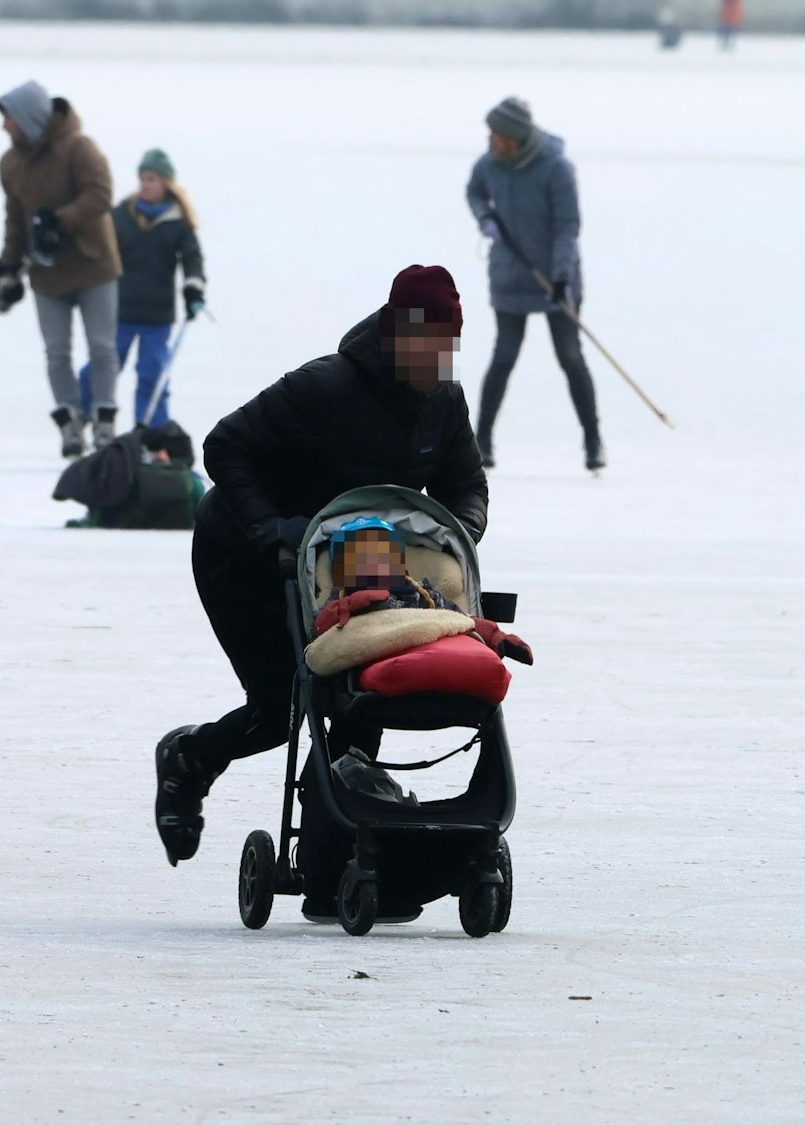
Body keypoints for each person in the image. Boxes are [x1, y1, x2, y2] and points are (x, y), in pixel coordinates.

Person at [152, 265, 488, 898]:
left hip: (353, 573)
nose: (441, 360)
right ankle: (190, 758)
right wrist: (270, 527)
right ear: (396, 334)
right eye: (430, 344)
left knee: (362, 700)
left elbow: (465, 484)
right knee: (279, 709)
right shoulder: (324, 386)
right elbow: (224, 445)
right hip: (247, 559)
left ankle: (334, 857)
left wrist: (455, 535)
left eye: (450, 345)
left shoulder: (444, 401)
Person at [465, 96, 605, 473]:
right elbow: (475, 192)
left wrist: (560, 277)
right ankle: (481, 442)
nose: (490, 139)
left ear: (514, 137)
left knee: (570, 357)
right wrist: (485, 218)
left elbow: (567, 227)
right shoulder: (489, 163)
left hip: (556, 278)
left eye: (496, 134)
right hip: (509, 276)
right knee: (504, 356)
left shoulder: (556, 167)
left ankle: (593, 441)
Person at [0, 79, 124, 459]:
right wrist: (7, 267)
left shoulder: (80, 148)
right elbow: (15, 219)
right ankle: (70, 424)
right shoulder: (10, 163)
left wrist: (58, 220)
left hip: (93, 265)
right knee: (56, 352)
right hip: (46, 273)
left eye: (9, 118)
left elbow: (100, 194)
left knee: (101, 346)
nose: (4, 126)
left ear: (29, 118)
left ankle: (104, 421)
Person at [77, 147, 205, 430]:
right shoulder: (121, 215)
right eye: (143, 179)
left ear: (166, 183)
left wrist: (193, 288)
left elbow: (192, 259)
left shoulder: (178, 223)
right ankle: (81, 411)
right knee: (103, 366)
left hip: (157, 316)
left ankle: (151, 431)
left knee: (153, 374)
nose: (145, 185)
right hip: (119, 310)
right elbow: (98, 249)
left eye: (152, 179)